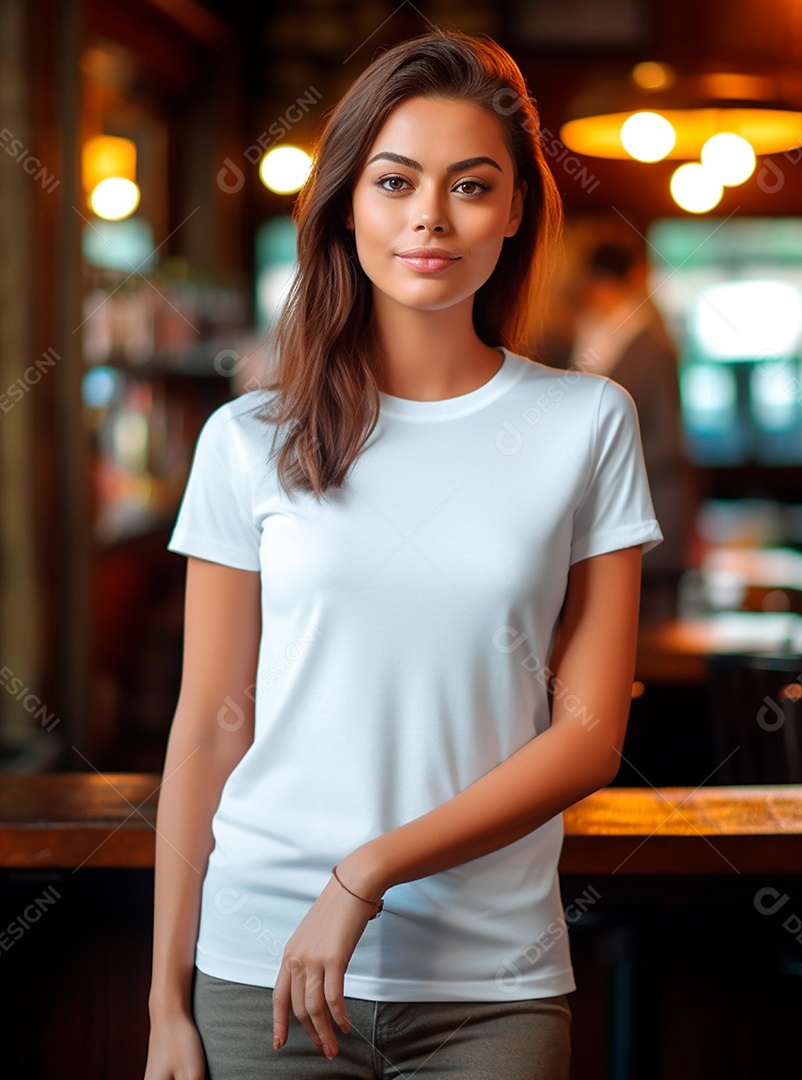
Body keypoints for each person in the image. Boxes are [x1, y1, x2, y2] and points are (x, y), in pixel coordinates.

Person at [143, 27, 662, 1080]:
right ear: (347, 204)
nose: (431, 215)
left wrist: (365, 874)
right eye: (394, 181)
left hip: (490, 986)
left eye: (471, 186)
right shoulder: (247, 439)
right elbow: (206, 728)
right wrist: (163, 1001)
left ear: (514, 211)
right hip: (259, 969)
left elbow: (589, 737)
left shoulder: (586, 421)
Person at [568, 241, 696, 618]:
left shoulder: (651, 345)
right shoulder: (597, 334)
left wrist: (595, 460)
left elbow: (669, 440)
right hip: (608, 510)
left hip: (652, 507)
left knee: (650, 627)